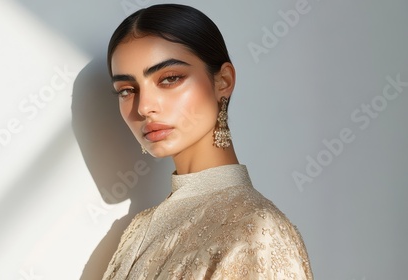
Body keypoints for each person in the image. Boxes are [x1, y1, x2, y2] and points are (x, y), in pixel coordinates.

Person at [103, 4, 313, 279]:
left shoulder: (258, 228)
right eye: (127, 90)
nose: (144, 107)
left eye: (169, 79)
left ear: (223, 81)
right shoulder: (138, 228)